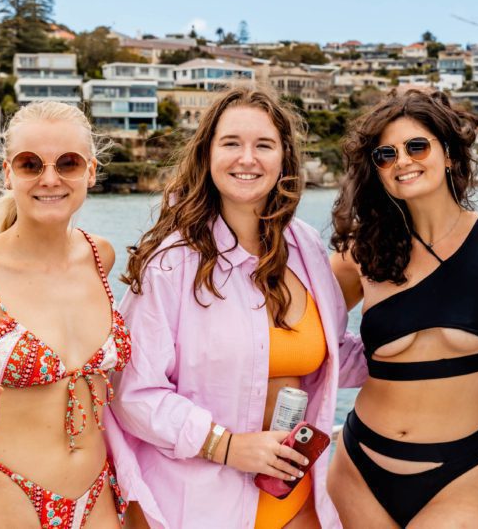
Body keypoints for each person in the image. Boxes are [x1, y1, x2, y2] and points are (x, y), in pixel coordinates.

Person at [104, 84, 366, 529]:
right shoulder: (171, 264)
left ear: (284, 158)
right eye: (231, 144)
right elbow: (132, 391)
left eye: (263, 145)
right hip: (201, 506)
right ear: (207, 155)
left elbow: (332, 354)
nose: (247, 158)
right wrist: (225, 445)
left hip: (296, 499)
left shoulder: (305, 245)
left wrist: (422, 340)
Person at [326, 88, 478, 528]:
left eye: (416, 146)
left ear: (450, 155)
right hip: (359, 466)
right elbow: (295, 335)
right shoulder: (358, 255)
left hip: (462, 473)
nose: (402, 160)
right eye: (386, 154)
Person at [0, 101, 130, 528]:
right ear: (8, 171)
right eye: (30, 164)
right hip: (3, 504)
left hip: (99, 501)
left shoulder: (100, 256)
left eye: (67, 163)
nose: (50, 179)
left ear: (90, 171)